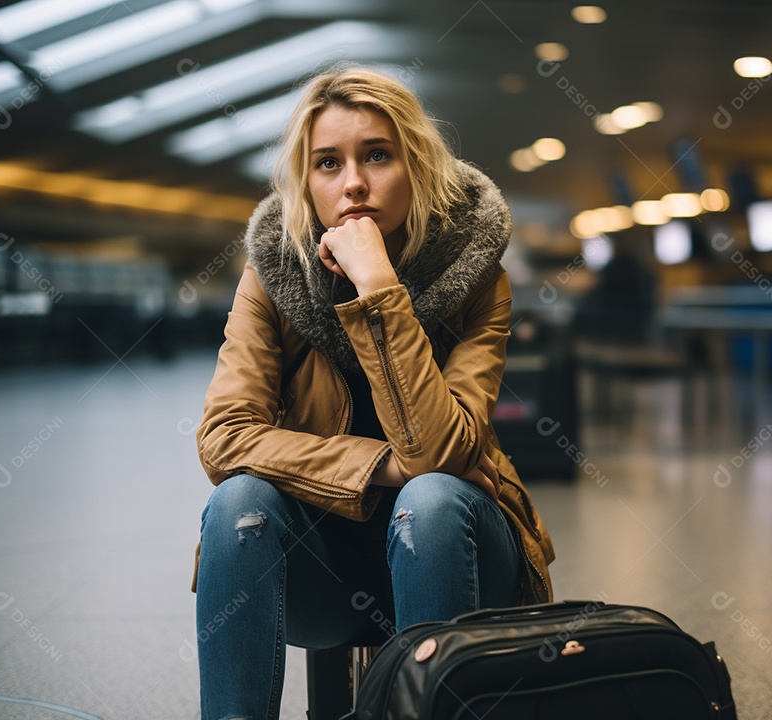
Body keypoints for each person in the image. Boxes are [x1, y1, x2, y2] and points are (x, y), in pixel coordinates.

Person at [190, 65, 555, 719]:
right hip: (325, 571)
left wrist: (378, 285)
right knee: (238, 502)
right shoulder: (274, 274)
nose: (352, 182)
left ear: (414, 166)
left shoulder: (476, 273)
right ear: (307, 181)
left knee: (434, 495)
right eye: (328, 163)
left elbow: (442, 451)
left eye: (377, 156)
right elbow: (224, 437)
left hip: (460, 552)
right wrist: (381, 465)